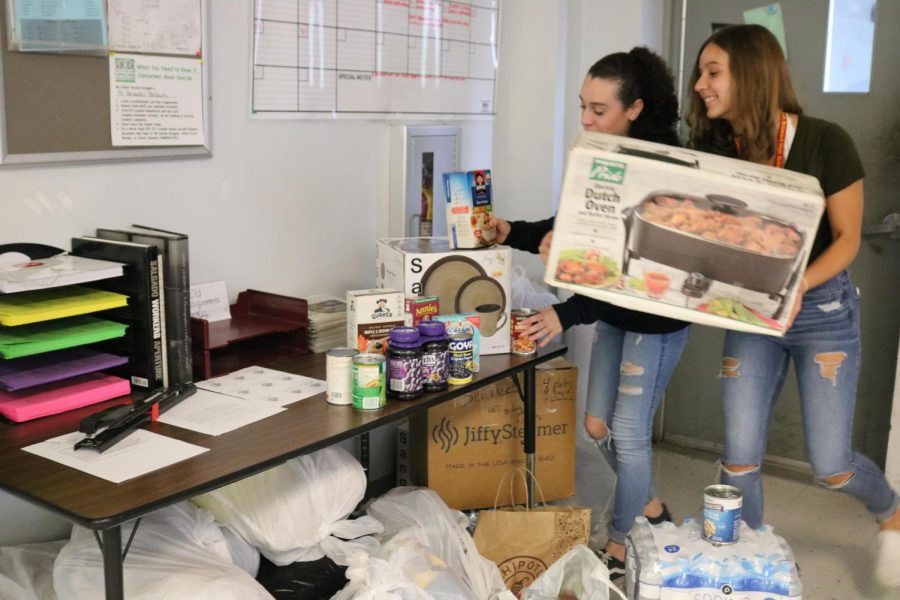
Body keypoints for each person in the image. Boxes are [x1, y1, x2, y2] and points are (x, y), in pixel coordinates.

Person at [687, 24, 900, 588]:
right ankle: (751, 566)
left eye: (713, 72)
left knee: (831, 467)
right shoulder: (714, 147)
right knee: (738, 459)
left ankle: (893, 512)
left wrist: (798, 284)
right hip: (752, 313)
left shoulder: (826, 141)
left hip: (820, 312)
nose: (701, 85)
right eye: (700, 73)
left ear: (752, 74)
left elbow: (848, 238)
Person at [491, 47, 690, 583]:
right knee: (597, 425)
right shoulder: (609, 157)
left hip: (654, 323)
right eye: (583, 106)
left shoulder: (664, 169)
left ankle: (623, 545)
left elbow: (630, 268)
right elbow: (578, 225)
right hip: (615, 316)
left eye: (598, 109)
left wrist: (566, 313)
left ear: (635, 108)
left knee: (627, 434)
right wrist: (516, 233)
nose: (586, 119)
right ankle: (649, 506)